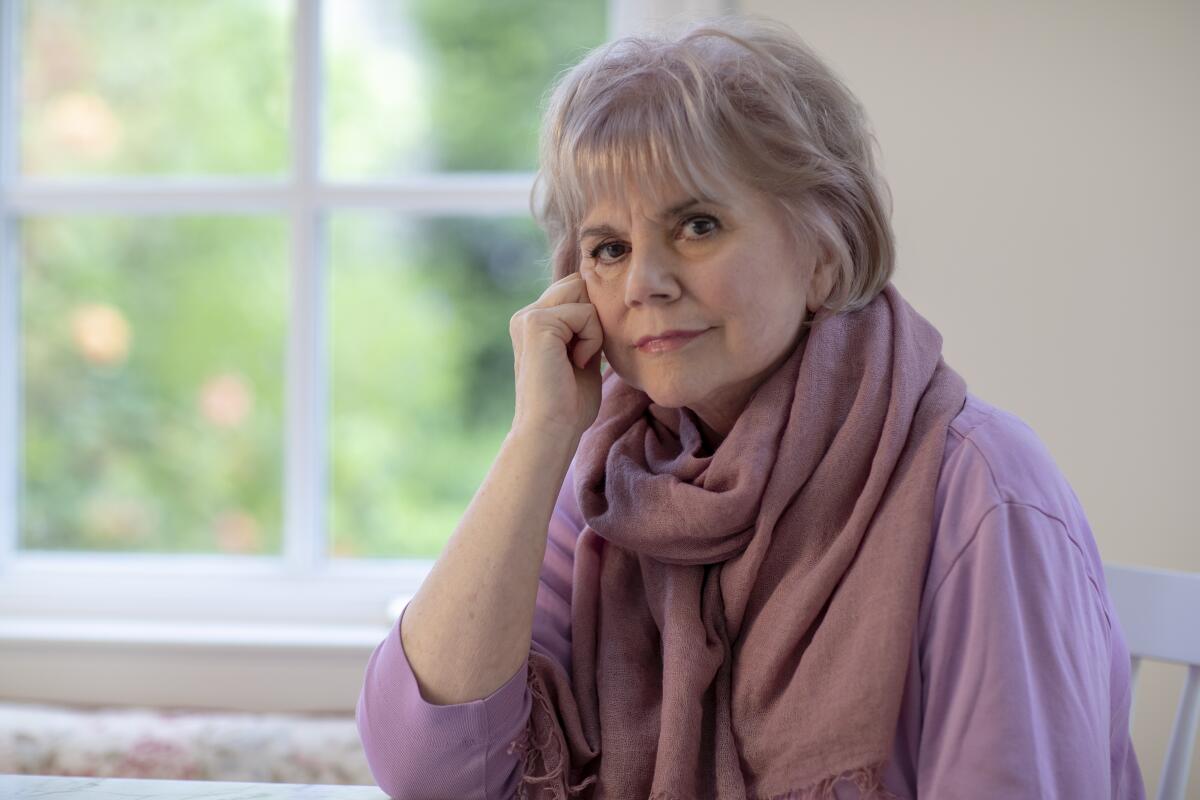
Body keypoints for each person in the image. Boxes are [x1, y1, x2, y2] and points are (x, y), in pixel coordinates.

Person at [356, 15, 1146, 799]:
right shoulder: (614, 483)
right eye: (609, 248)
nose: (644, 283)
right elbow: (430, 772)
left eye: (697, 225)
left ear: (826, 258)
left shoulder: (981, 490)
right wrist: (539, 438)